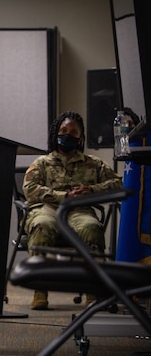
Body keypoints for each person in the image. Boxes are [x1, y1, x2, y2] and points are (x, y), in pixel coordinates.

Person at [22, 110, 122, 310]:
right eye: (63, 130)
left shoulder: (93, 164)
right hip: (48, 208)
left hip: (80, 211)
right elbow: (30, 189)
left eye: (73, 132)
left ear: (81, 137)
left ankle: (93, 292)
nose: (67, 135)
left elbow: (118, 184)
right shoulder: (42, 163)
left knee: (92, 228)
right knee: (42, 225)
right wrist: (63, 196)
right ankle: (39, 290)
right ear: (55, 134)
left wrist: (92, 189)